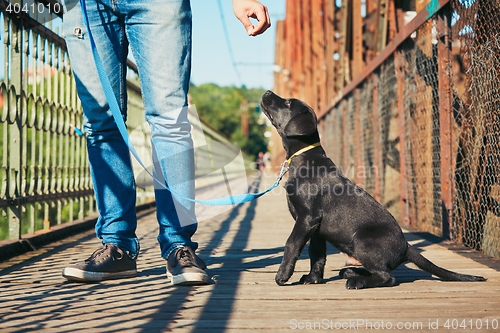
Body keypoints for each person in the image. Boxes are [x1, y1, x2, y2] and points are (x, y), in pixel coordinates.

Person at [60, 0, 271, 285]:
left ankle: (178, 245)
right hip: (85, 6)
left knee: (170, 120)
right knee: (100, 123)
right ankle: (117, 247)